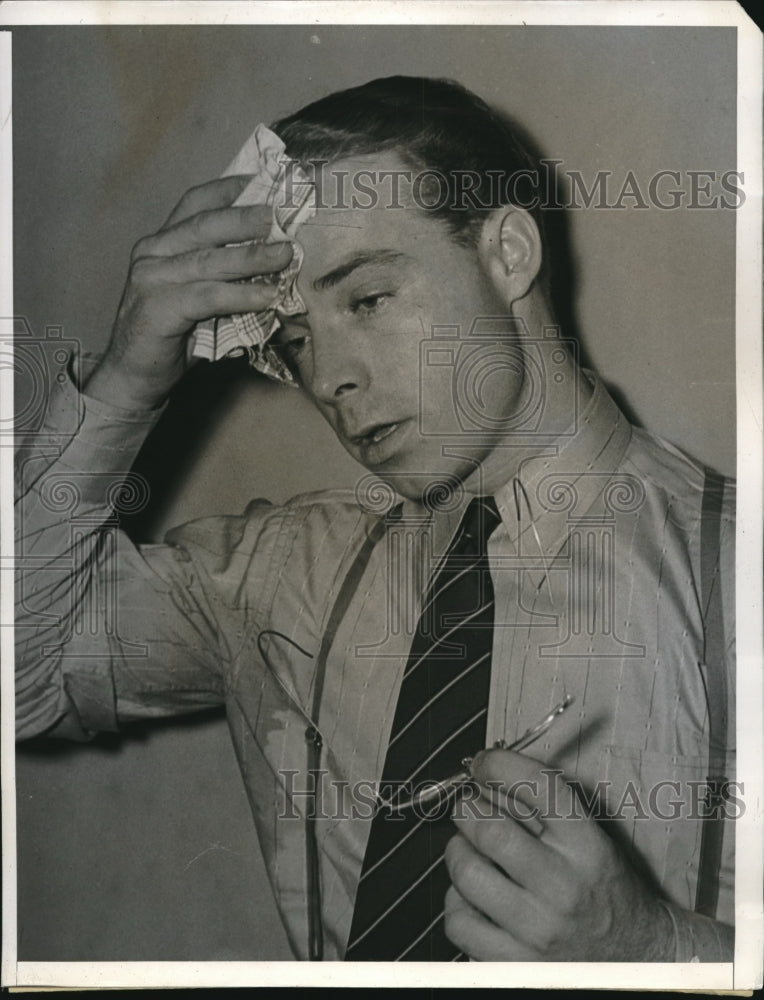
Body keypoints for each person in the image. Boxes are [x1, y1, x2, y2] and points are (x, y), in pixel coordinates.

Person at [15, 76, 735, 963]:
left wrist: (656, 950)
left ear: (508, 253)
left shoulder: (735, 577)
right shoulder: (283, 575)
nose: (328, 380)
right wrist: (127, 378)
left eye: (366, 300)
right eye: (296, 341)